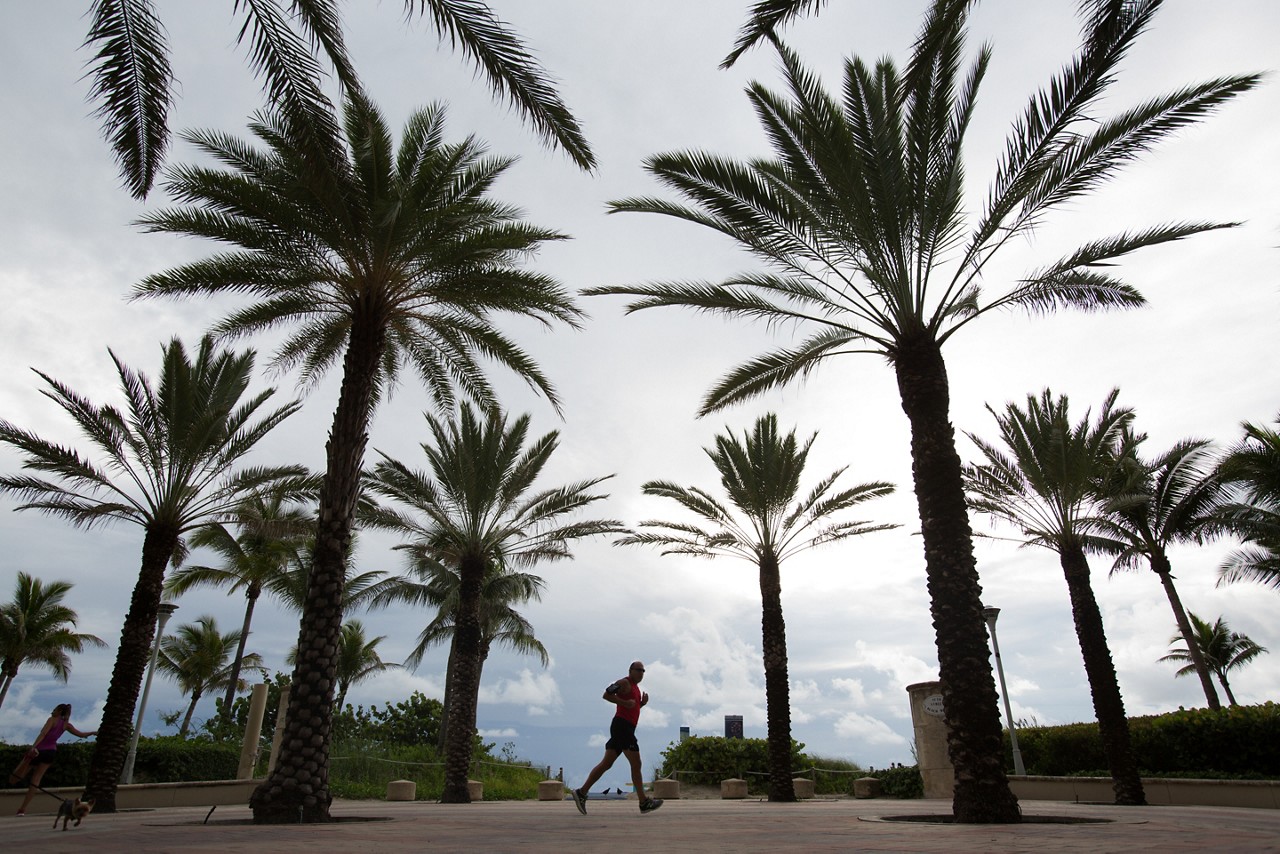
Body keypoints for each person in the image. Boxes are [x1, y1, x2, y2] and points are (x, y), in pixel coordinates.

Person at [570, 660, 663, 815]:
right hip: (622, 727)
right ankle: (643, 802)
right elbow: (606, 694)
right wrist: (624, 702)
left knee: (606, 764)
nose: (641, 673)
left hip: (625, 728)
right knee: (636, 763)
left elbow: (632, 707)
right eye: (638, 670)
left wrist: (641, 705)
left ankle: (581, 792)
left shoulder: (636, 688)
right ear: (630, 670)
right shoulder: (624, 683)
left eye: (643, 671)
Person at [12, 703, 95, 816]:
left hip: (39, 750)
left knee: (14, 778)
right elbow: (81, 734)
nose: (52, 711)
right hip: (50, 752)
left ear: (59, 711)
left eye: (54, 709)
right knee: (35, 781)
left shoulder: (52, 720)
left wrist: (33, 748)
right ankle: (22, 809)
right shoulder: (66, 725)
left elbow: (43, 734)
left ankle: (26, 762)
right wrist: (93, 733)